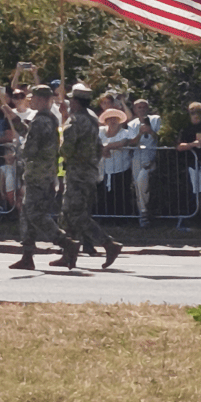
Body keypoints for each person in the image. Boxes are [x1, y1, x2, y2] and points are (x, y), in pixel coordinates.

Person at [4, 86, 78, 271]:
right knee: (28, 214)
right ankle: (27, 255)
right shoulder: (49, 119)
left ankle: (66, 243)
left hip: (38, 174)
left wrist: (17, 152)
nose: (31, 101)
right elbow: (30, 134)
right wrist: (13, 118)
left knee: (35, 214)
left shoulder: (41, 121)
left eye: (35, 98)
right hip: (45, 173)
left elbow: (30, 148)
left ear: (44, 100)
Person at [59, 83, 121, 269]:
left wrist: (63, 130)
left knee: (75, 214)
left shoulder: (75, 120)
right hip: (89, 170)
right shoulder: (93, 118)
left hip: (77, 172)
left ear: (76, 101)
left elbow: (65, 149)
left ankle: (108, 244)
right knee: (70, 213)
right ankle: (68, 254)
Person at [126, 98, 160, 227]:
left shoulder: (156, 119)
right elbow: (131, 142)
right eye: (138, 107)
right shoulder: (132, 124)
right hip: (137, 157)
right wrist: (140, 134)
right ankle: (143, 215)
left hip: (150, 156)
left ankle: (146, 211)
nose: (141, 109)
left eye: (143, 107)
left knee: (142, 180)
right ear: (134, 110)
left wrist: (150, 130)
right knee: (138, 186)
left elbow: (160, 137)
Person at [96, 107, 132, 217]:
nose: (112, 121)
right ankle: (105, 218)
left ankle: (121, 219)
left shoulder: (125, 132)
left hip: (121, 169)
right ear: (106, 121)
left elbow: (123, 143)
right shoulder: (100, 132)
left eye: (115, 119)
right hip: (103, 170)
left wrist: (106, 147)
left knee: (120, 195)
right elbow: (94, 143)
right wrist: (102, 149)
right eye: (110, 119)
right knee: (104, 196)